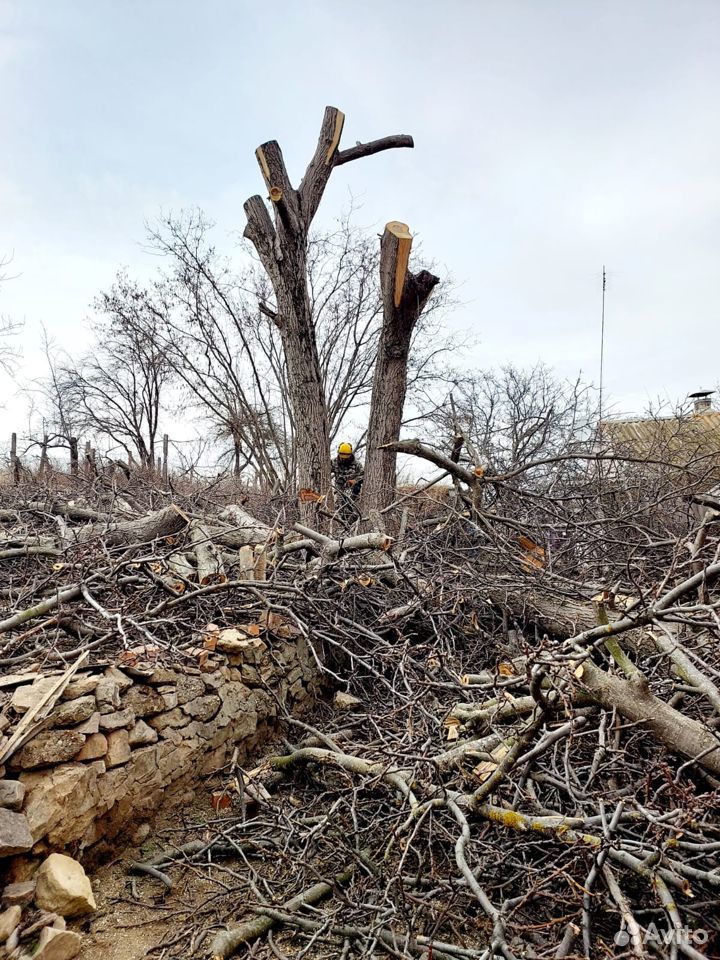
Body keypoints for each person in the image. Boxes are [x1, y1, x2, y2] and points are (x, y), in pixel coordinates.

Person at [331, 442, 364, 517]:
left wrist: (355, 481)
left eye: (346, 457)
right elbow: (325, 470)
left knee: (353, 509)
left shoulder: (357, 464)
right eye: (341, 456)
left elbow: (363, 475)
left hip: (353, 490)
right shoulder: (334, 462)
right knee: (339, 508)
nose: (343, 459)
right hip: (339, 488)